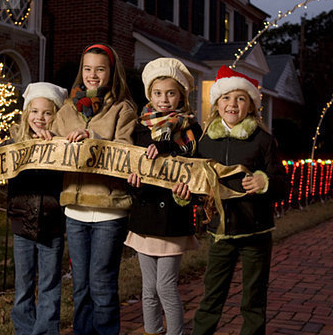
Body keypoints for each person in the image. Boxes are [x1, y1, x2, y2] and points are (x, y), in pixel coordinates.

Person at [191, 65, 289, 335]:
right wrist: (186, 193)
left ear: (251, 106)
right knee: (212, 295)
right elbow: (197, 184)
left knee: (254, 299)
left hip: (256, 231)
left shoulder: (264, 141)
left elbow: (283, 184)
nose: (232, 104)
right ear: (217, 103)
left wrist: (264, 182)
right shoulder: (205, 141)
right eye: (226, 98)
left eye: (240, 98)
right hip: (220, 233)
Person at [51, 43, 137, 335]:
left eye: (100, 69)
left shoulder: (122, 109)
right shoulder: (65, 110)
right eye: (88, 69)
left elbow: (126, 151)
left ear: (111, 73)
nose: (93, 75)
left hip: (108, 210)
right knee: (80, 285)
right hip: (74, 210)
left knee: (101, 285)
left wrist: (92, 137)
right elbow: (49, 148)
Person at [0, 82, 68, 335]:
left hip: (52, 224)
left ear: (55, 116)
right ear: (27, 113)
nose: (40, 117)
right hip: (22, 223)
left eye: (47, 113)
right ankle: (24, 330)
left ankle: (45, 331)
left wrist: (54, 146)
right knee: (23, 284)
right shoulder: (14, 143)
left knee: (50, 285)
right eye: (35, 111)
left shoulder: (61, 147)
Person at [124, 58, 202, 335]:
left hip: (172, 218)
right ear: (150, 95)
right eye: (158, 93)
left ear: (181, 95)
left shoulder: (191, 131)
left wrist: (186, 193)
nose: (164, 99)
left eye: (171, 93)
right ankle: (152, 330)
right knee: (148, 287)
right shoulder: (140, 129)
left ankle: (176, 332)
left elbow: (197, 172)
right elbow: (133, 168)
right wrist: (133, 183)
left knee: (165, 285)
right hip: (145, 217)